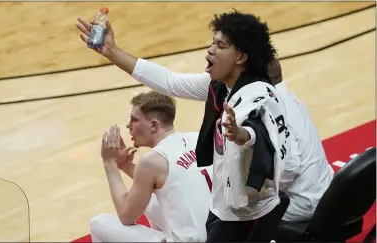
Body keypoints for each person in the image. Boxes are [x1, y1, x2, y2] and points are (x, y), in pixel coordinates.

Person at [76, 12, 333, 223]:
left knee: (207, 210)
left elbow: (288, 169)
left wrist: (241, 166)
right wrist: (111, 51)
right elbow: (170, 81)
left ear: (242, 60)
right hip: (312, 192)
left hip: (302, 202)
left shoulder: (264, 104)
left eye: (220, 46)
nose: (209, 51)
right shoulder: (228, 84)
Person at [91, 91, 213, 242]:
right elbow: (166, 179)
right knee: (150, 201)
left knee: (98, 223)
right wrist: (126, 166)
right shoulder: (198, 138)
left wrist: (109, 163)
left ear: (154, 125)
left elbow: (126, 216)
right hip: (220, 234)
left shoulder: (152, 159)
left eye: (134, 120)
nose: (128, 125)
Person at [268, 59, 334, 222]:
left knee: (242, 203)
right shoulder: (294, 100)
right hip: (329, 193)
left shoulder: (273, 111)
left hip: (304, 204)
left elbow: (289, 168)